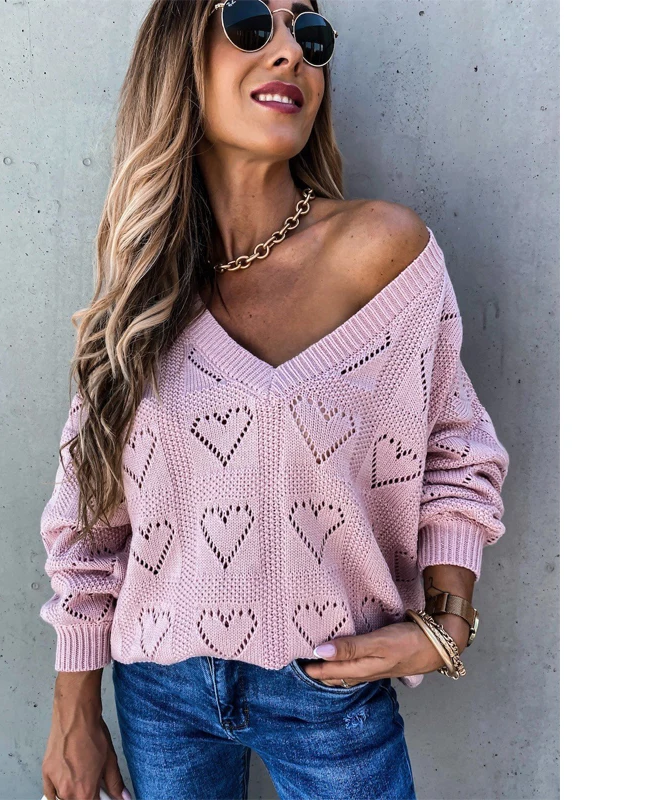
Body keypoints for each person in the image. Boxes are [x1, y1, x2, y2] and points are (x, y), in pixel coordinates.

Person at [39, 2, 511, 799]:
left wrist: (446, 625)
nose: (291, 51)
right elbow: (90, 517)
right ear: (180, 58)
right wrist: (73, 715)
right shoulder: (142, 291)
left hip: (328, 688)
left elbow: (456, 455)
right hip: (158, 690)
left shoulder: (382, 252)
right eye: (252, 22)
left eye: (310, 34)